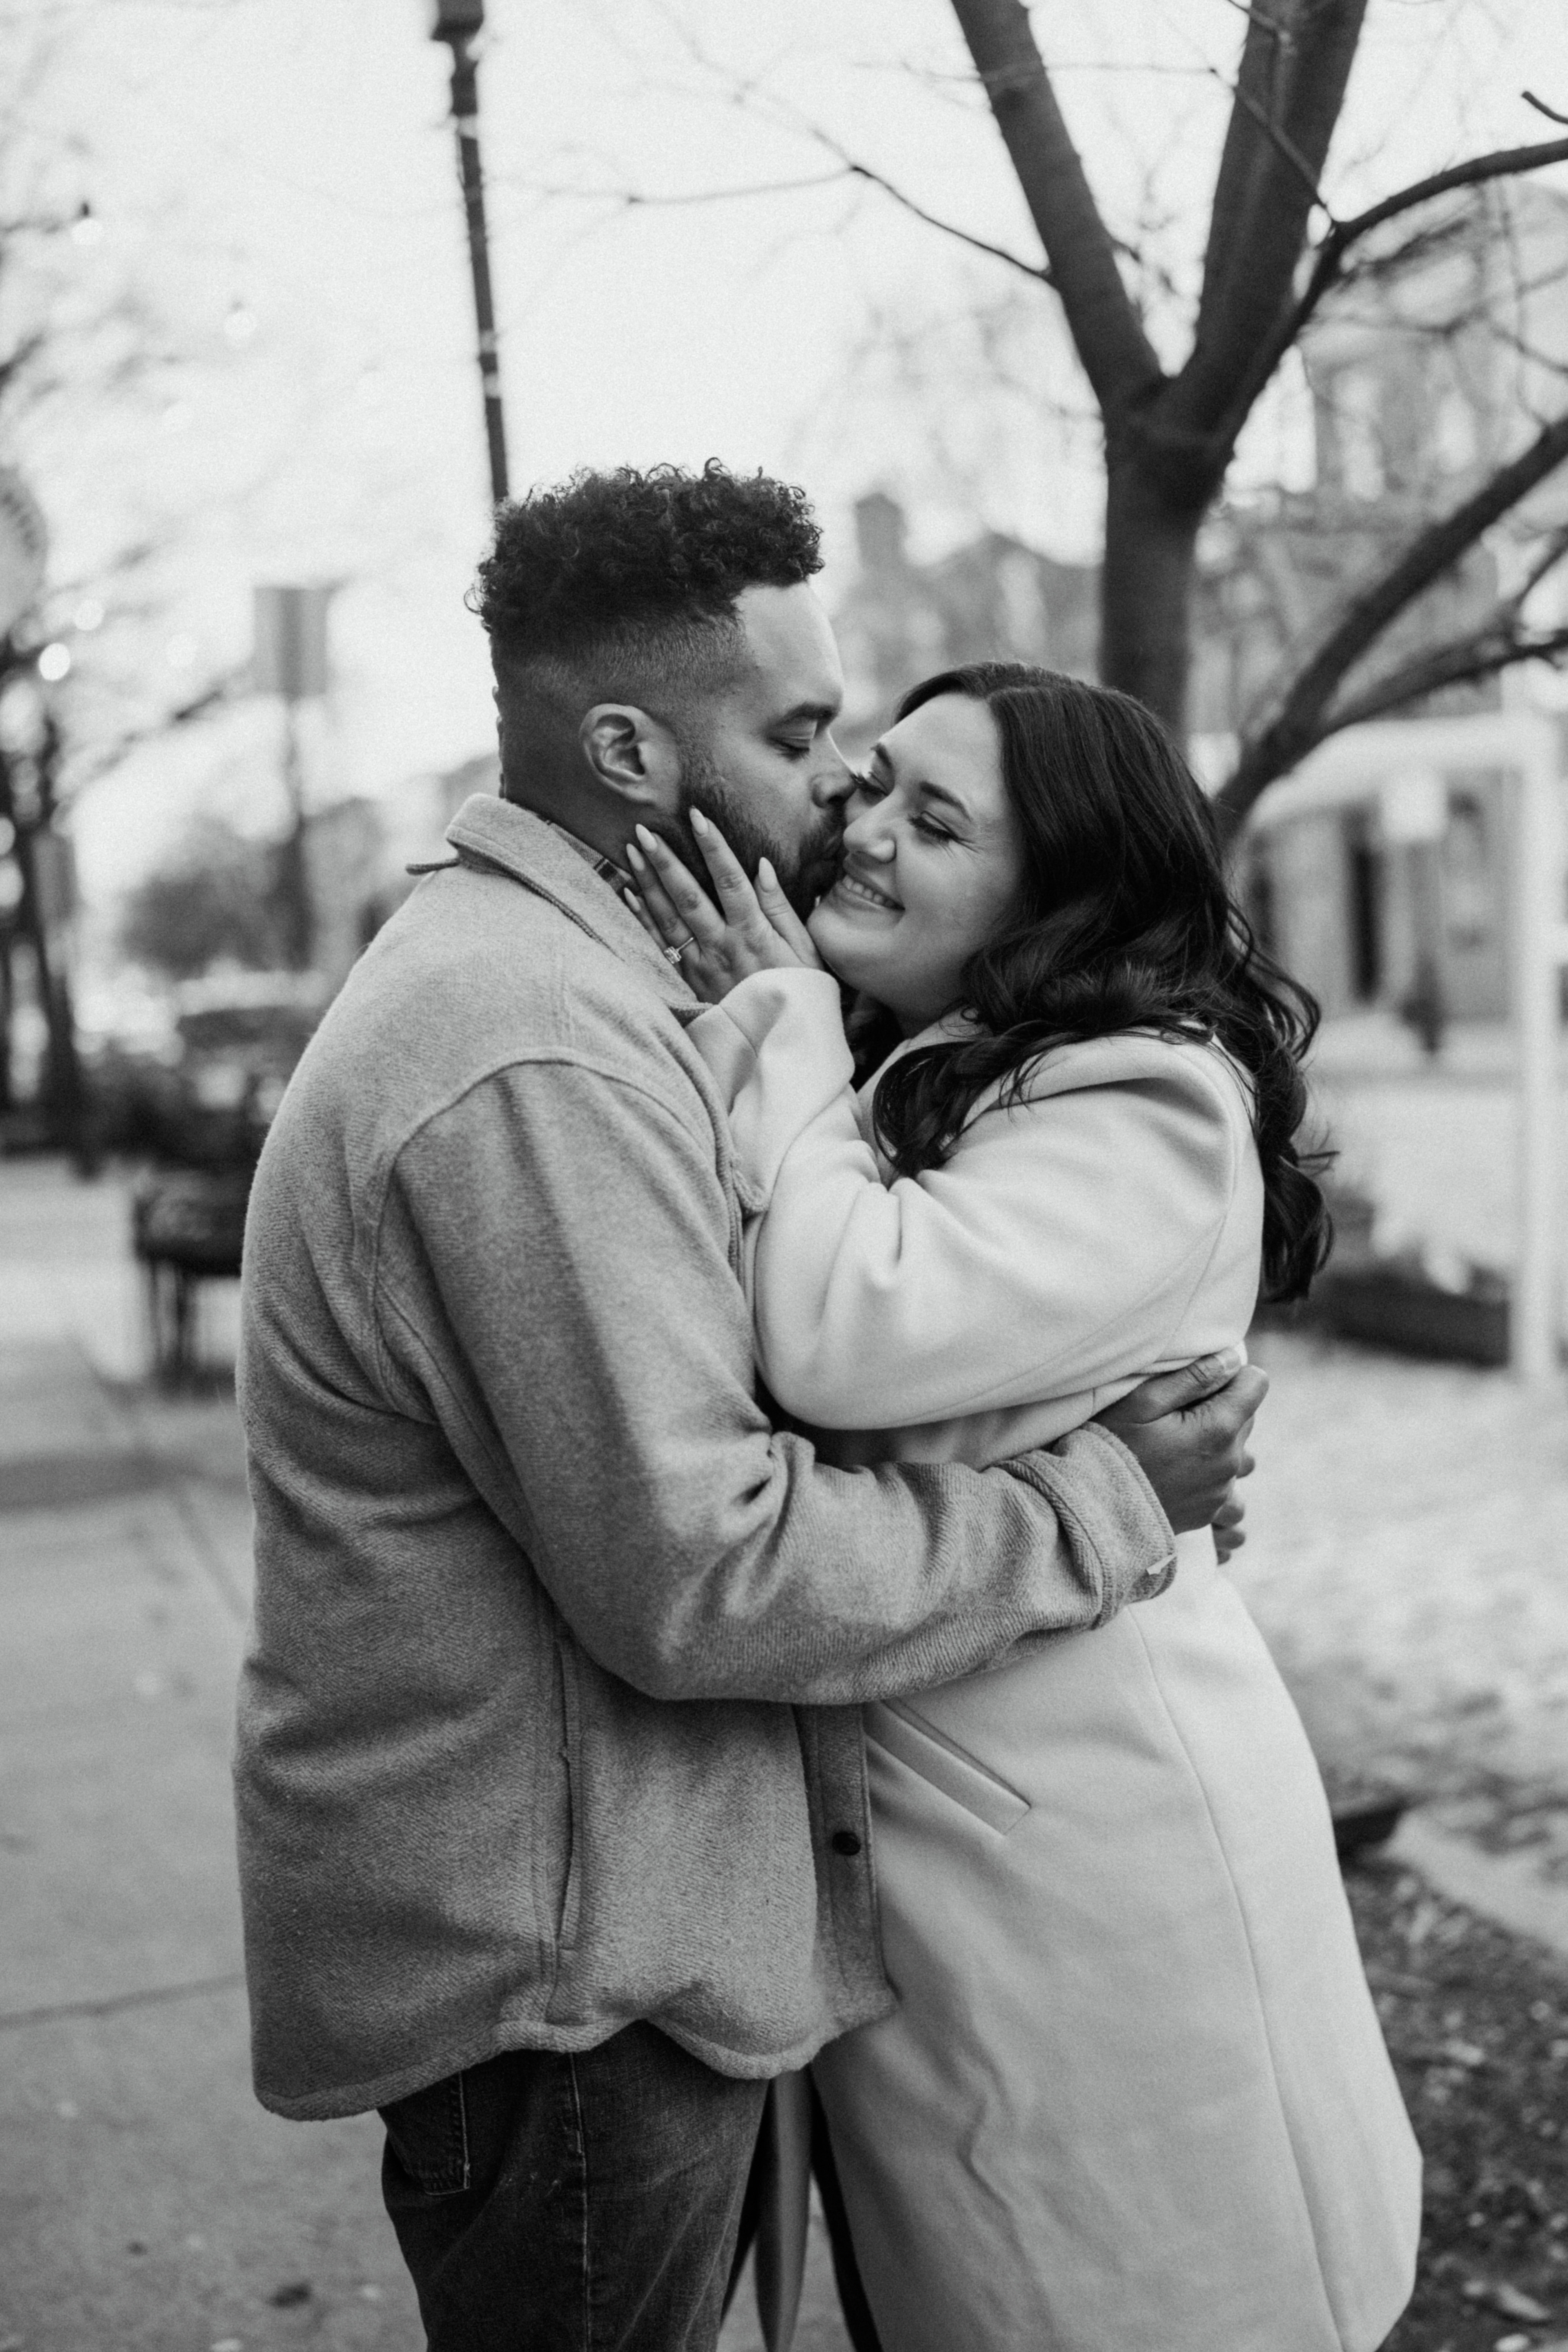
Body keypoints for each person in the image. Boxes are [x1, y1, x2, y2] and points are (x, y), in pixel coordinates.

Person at [232, 466, 1264, 2352]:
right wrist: (1101, 1496)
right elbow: (704, 1571)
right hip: (561, 1987)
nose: (838, 792)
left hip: (603, 1938)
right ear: (631, 751)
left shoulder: (591, 1002)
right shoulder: (529, 1050)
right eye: (801, 739)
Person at [626, 662, 1422, 2352]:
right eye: (874, 786)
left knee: (1157, 2297)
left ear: (1058, 890)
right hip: (951, 1836)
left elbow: (851, 1329)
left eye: (939, 817)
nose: (866, 829)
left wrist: (764, 1012)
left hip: (1095, 1855)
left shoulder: (1145, 1092)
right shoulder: (939, 1071)